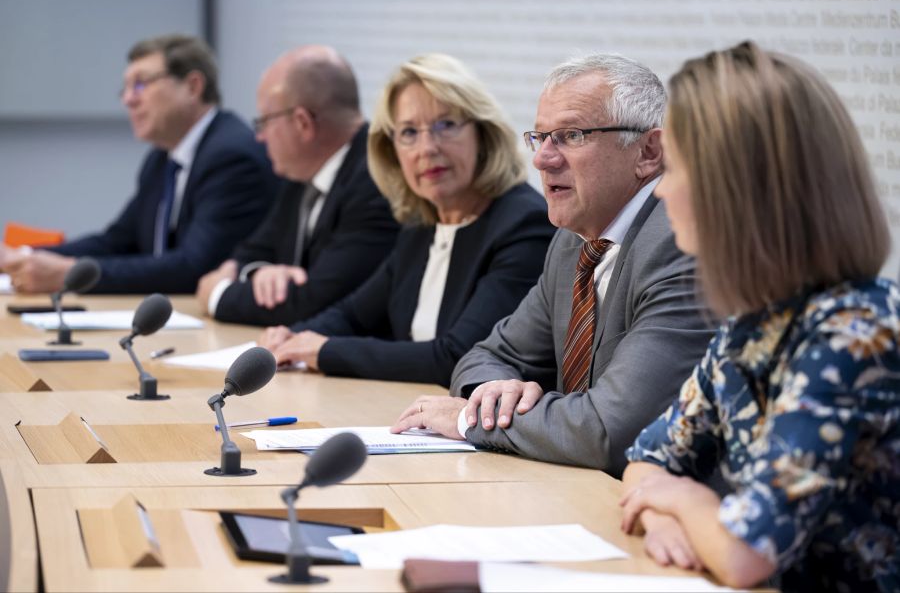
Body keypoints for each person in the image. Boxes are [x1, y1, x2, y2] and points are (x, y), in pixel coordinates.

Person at [619, 42, 899, 592]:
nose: (662, 190)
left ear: (737, 191)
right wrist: (663, 514)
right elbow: (645, 463)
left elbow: (748, 557)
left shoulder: (855, 334)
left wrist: (687, 500)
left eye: (676, 168)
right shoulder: (751, 325)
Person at [390, 54, 714, 476]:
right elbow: (485, 356)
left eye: (571, 135)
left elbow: (610, 430)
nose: (543, 159)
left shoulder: (679, 242)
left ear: (648, 151)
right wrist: (491, 393)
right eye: (540, 137)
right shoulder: (571, 243)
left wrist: (469, 419)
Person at [259, 53, 555, 387]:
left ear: (482, 133)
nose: (427, 148)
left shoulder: (523, 226)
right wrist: (292, 337)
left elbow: (459, 356)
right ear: (392, 150)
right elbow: (352, 315)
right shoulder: (422, 226)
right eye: (409, 132)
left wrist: (323, 350)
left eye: (446, 125)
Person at [0, 34, 276, 294]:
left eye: (141, 84)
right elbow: (118, 241)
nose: (129, 99)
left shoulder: (231, 156)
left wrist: (69, 274)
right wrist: (24, 256)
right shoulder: (162, 157)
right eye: (127, 88)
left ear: (193, 86)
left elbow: (194, 267)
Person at [196, 46, 399, 326]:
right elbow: (251, 252)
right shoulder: (301, 171)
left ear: (303, 123)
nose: (260, 137)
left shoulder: (376, 181)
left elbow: (315, 303)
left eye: (264, 122)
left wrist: (217, 294)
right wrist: (260, 273)